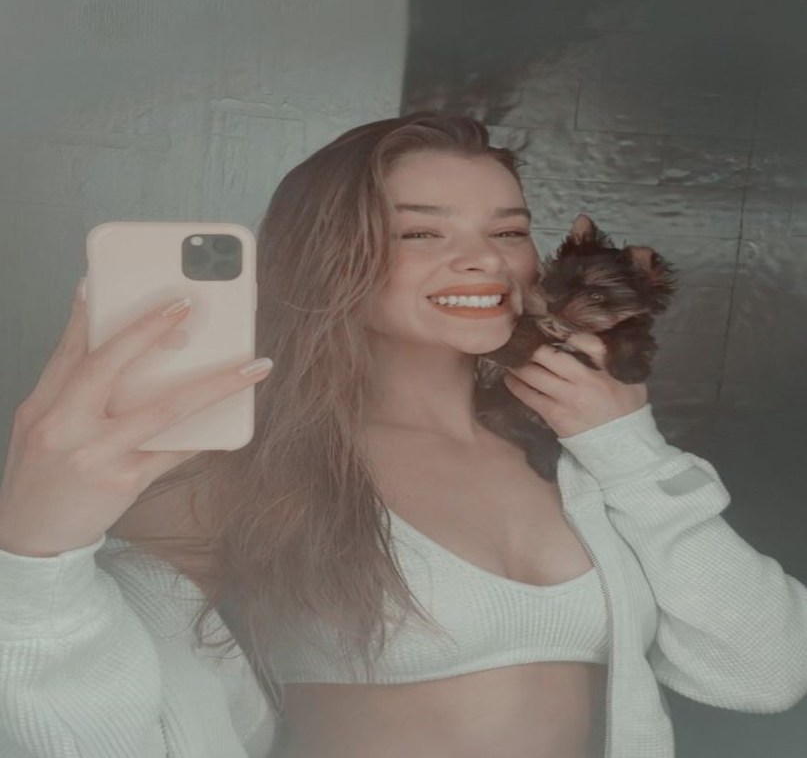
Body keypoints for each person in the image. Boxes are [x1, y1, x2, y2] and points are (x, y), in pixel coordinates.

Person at [1, 112, 806, 758]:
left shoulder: (577, 459)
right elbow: (94, 729)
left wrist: (627, 444)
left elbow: (765, 670)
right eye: (422, 233)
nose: (483, 261)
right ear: (330, 255)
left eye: (508, 231)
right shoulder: (251, 468)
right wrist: (36, 552)